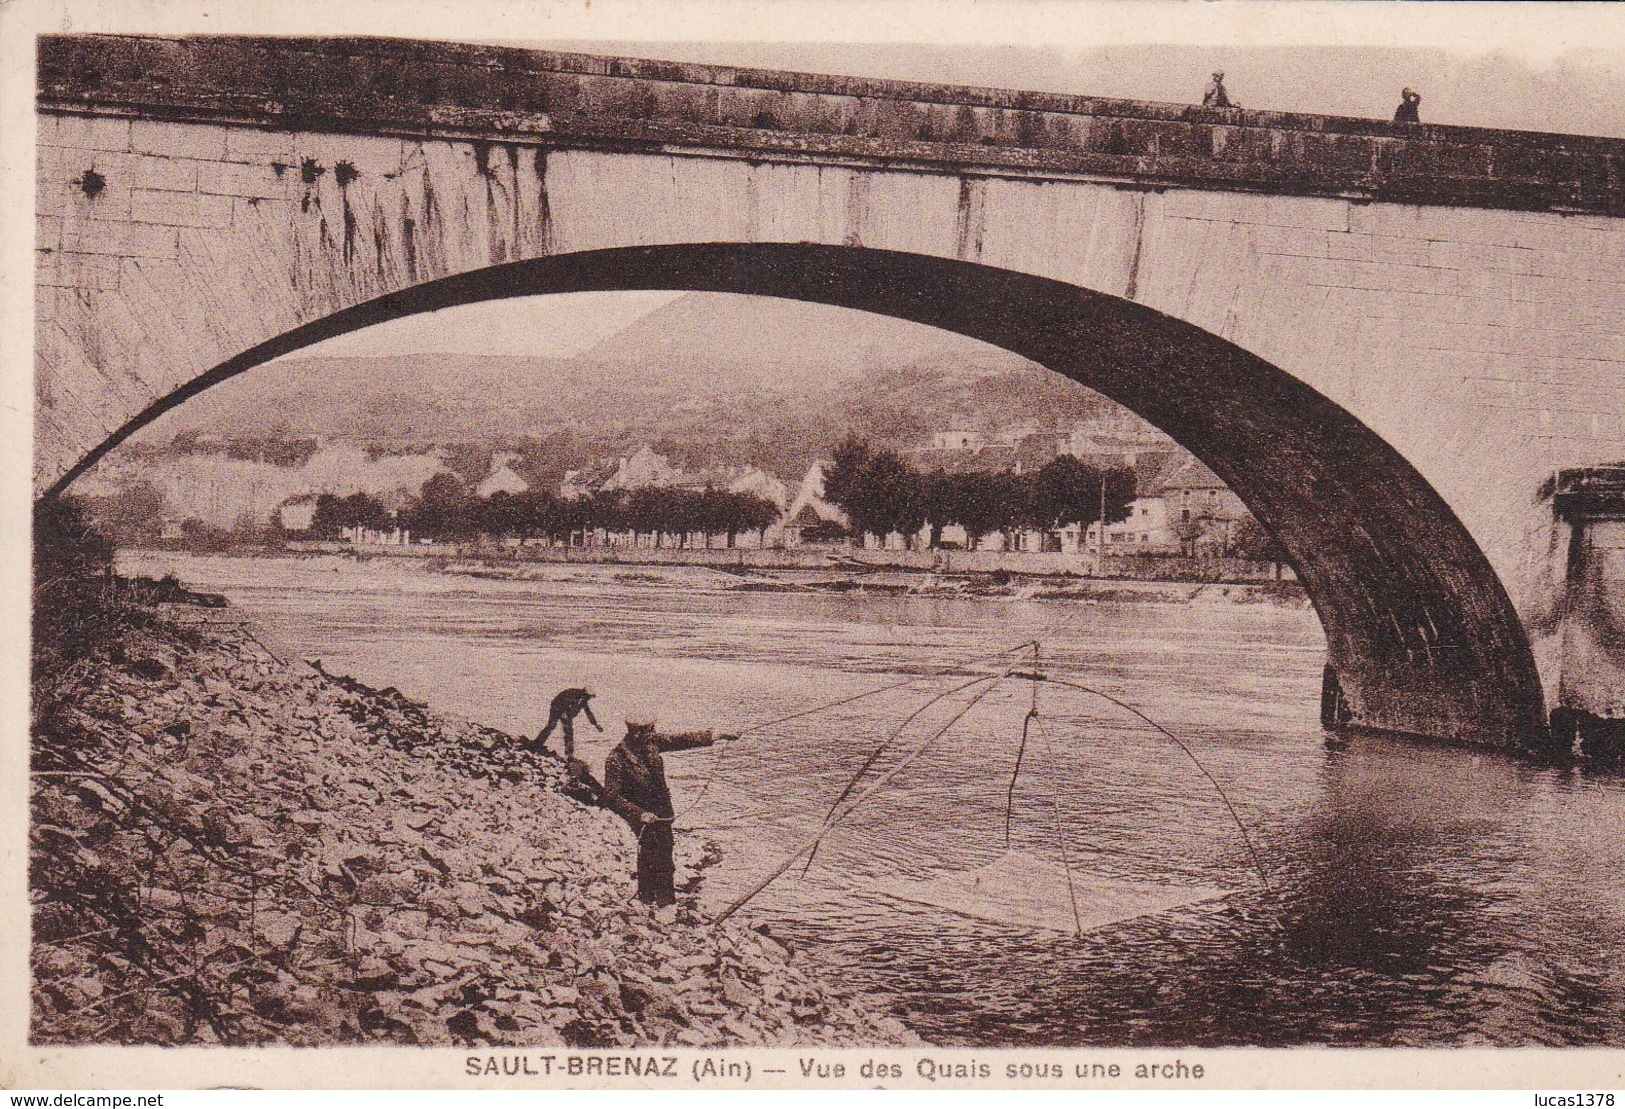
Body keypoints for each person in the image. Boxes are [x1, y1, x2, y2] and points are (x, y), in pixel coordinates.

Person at [596, 712, 734, 907]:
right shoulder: (616, 759)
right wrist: (639, 814)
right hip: (641, 814)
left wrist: (717, 735)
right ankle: (647, 899)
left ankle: (665, 902)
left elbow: (682, 740)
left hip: (661, 812)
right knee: (650, 854)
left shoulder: (651, 743)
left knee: (665, 854)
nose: (653, 733)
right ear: (636, 733)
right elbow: (611, 797)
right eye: (649, 730)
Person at [534, 686, 601, 760]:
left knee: (569, 732)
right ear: (585, 694)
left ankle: (569, 754)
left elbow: (588, 712)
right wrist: (563, 713)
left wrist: (595, 724)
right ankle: (537, 745)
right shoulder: (573, 694)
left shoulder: (583, 700)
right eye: (589, 697)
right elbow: (562, 702)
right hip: (556, 708)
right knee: (551, 726)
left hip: (567, 713)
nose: (589, 699)